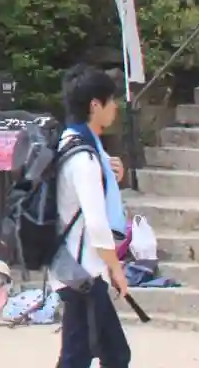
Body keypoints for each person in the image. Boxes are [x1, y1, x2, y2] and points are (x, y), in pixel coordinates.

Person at [52, 67, 133, 368]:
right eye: (111, 101)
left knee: (106, 354)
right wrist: (117, 269)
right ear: (95, 105)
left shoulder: (70, 142)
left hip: (75, 269)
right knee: (90, 356)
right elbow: (97, 224)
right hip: (83, 272)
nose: (115, 108)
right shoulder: (84, 158)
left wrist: (110, 173)